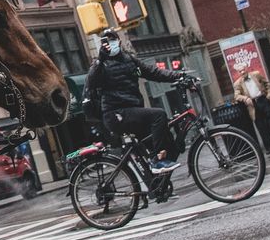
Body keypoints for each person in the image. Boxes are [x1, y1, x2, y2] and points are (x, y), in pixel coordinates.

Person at [81, 32, 195, 171]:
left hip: (133, 112)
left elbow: (152, 72)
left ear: (119, 41)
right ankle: (157, 162)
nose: (111, 43)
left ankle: (157, 185)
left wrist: (179, 75)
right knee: (158, 115)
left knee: (165, 138)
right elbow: (91, 82)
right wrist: (100, 59)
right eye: (107, 41)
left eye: (113, 40)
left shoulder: (129, 60)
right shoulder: (100, 64)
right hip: (115, 114)